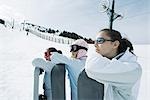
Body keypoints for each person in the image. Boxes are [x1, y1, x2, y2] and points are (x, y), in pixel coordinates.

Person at [80, 28, 142, 100]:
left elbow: (91, 67)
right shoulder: (110, 63)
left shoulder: (132, 68)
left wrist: (95, 54)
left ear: (115, 44)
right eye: (95, 41)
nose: (95, 45)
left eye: (100, 41)